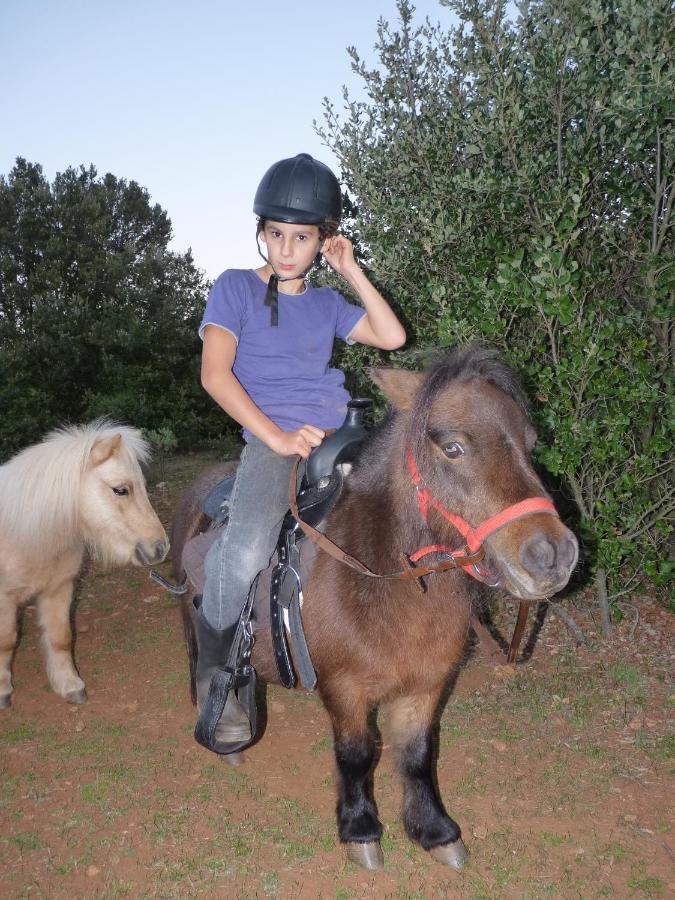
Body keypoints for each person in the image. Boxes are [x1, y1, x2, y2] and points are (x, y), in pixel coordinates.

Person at [194, 152, 406, 752]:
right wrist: (278, 438)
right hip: (276, 442)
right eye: (277, 234)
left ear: (322, 241)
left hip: (346, 435)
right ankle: (222, 678)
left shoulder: (327, 304)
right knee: (248, 549)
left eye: (303, 237)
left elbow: (392, 336)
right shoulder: (234, 288)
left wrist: (354, 271)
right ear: (260, 232)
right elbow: (216, 376)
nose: (287, 249)